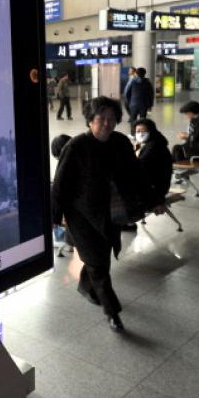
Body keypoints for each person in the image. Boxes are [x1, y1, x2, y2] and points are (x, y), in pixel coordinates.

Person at [52, 96, 166, 331]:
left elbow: (138, 175)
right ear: (90, 121)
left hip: (111, 213)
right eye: (101, 119)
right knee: (97, 264)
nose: (107, 123)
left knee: (99, 259)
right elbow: (60, 185)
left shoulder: (121, 143)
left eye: (112, 119)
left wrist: (154, 200)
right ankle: (112, 311)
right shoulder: (75, 147)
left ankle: (86, 286)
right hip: (81, 216)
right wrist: (54, 219)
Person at [134, 119, 172, 202]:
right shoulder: (151, 142)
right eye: (138, 131)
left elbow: (139, 165)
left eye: (143, 131)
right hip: (153, 185)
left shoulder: (154, 146)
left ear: (151, 131)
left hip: (154, 190)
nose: (140, 134)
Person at [123, 67, 154, 135]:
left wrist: (129, 102)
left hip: (133, 104)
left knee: (133, 120)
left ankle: (133, 134)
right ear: (145, 74)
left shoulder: (132, 81)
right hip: (144, 105)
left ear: (136, 73)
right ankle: (142, 133)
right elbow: (151, 94)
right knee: (143, 120)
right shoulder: (147, 82)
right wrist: (150, 105)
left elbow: (126, 92)